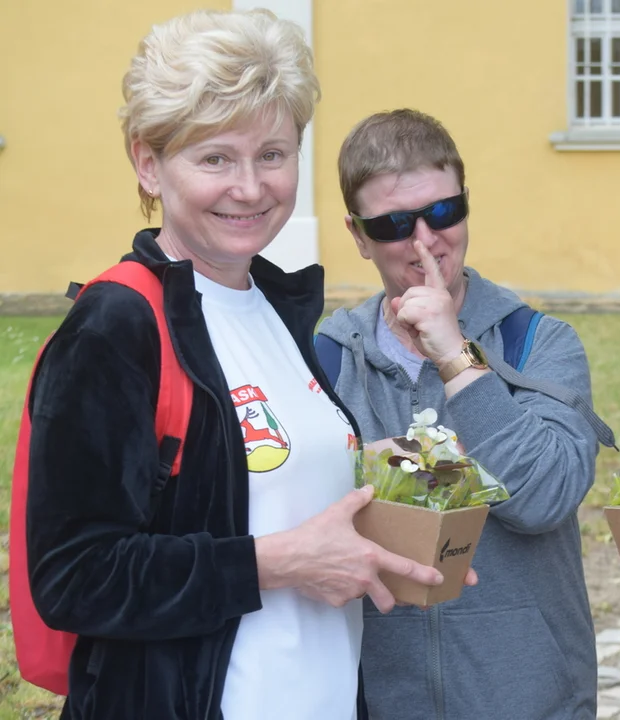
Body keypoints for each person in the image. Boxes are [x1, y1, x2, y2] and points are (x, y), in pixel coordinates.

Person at [26, 11, 448, 720]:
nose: (250, 188)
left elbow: (245, 480)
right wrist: (276, 564)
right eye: (215, 158)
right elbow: (74, 577)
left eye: (273, 155)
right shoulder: (118, 324)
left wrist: (371, 471)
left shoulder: (274, 308)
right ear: (149, 163)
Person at [318, 108, 608, 719]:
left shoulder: (539, 343)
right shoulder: (325, 360)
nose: (426, 241)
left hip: (530, 701)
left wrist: (454, 355)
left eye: (444, 212)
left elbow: (544, 497)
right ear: (358, 234)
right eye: (395, 223)